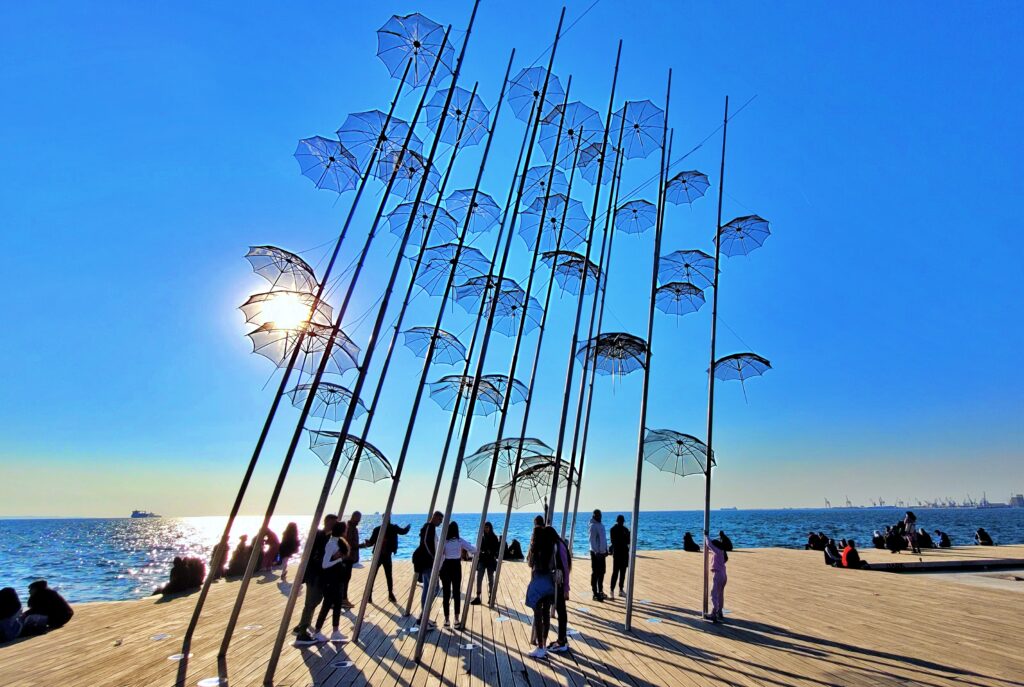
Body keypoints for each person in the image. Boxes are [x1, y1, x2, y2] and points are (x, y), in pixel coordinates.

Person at [293, 513, 337, 645]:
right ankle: (302, 633)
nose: (335, 526)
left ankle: (301, 626)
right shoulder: (319, 536)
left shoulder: (327, 537)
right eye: (333, 523)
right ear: (327, 522)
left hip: (319, 574)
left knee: (316, 600)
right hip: (314, 574)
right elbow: (316, 555)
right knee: (311, 602)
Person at [313, 522, 350, 643]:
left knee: (338, 604)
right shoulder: (331, 544)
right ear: (341, 530)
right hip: (330, 579)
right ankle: (317, 631)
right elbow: (325, 564)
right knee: (327, 604)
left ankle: (335, 631)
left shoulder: (339, 542)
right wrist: (339, 559)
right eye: (345, 529)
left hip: (338, 578)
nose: (346, 531)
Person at [525, 521, 556, 659]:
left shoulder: (534, 549)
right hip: (549, 583)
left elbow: (530, 563)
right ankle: (543, 641)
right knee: (546, 613)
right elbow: (553, 565)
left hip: (538, 583)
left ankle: (540, 647)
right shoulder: (550, 548)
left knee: (538, 615)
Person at [362, 520, 411, 603]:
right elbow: (403, 531)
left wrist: (408, 527)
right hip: (381, 555)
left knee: (380, 575)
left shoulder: (385, 528)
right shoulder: (382, 529)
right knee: (383, 575)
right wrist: (408, 527)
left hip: (383, 554)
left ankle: (385, 594)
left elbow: (403, 531)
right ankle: (379, 595)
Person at [439, 521, 475, 629]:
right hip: (456, 566)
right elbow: (473, 549)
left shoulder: (444, 542)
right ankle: (456, 619)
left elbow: (440, 555)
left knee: (446, 593)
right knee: (456, 593)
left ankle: (446, 620)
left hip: (446, 566)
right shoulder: (460, 541)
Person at [412, 511, 443, 627]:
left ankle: (423, 617)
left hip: (427, 562)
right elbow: (426, 542)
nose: (440, 523)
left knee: (427, 588)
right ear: (434, 517)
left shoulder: (429, 527)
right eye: (439, 520)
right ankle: (422, 618)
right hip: (427, 562)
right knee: (434, 588)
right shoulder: (429, 527)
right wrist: (434, 557)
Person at [547, 526, 572, 655]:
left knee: (561, 611)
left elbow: (565, 567)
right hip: (557, 583)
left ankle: (561, 641)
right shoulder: (557, 544)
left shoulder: (558, 545)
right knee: (560, 610)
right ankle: (563, 639)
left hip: (559, 583)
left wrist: (566, 588)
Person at [471, 522, 500, 606]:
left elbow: (495, 550)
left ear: (490, 528)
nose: (486, 529)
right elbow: (479, 548)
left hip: (490, 561)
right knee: (479, 578)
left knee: (491, 579)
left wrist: (489, 552)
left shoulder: (494, 538)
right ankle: (478, 596)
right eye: (485, 527)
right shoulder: (482, 537)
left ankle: (491, 596)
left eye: (487, 527)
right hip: (482, 560)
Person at [340, 511, 362, 608]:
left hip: (349, 557)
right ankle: (343, 599)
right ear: (353, 517)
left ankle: (342, 598)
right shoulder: (350, 528)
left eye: (359, 518)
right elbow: (348, 543)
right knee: (345, 578)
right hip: (347, 557)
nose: (358, 520)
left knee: (345, 578)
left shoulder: (351, 527)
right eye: (357, 518)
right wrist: (362, 545)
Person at [706, 536, 727, 622]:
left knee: (713, 594)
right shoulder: (722, 552)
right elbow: (712, 546)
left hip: (718, 575)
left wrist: (706, 536)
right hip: (724, 575)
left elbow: (709, 544)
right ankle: (720, 611)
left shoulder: (718, 552)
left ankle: (713, 613)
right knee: (720, 594)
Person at [589, 509, 608, 601]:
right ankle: (595, 593)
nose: (599, 517)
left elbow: (604, 539)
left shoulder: (601, 525)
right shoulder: (593, 526)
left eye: (600, 515)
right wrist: (596, 552)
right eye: (597, 515)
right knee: (595, 573)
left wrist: (606, 549)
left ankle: (600, 591)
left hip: (602, 553)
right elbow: (592, 541)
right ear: (594, 516)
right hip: (595, 553)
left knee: (602, 572)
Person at [608, 515, 629, 600]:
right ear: (618, 521)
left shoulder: (625, 530)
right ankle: (612, 590)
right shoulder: (613, 529)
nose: (621, 523)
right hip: (617, 553)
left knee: (623, 572)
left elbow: (628, 541)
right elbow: (614, 541)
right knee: (615, 572)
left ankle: (620, 589)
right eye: (620, 521)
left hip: (623, 553)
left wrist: (627, 535)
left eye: (622, 521)